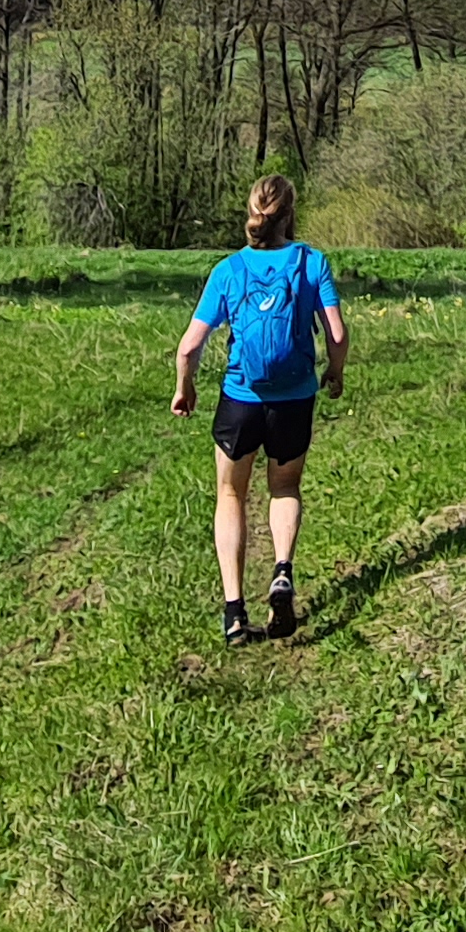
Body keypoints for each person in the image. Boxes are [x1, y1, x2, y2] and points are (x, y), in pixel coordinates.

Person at [171, 173, 347, 644]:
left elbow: (188, 347)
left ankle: (234, 613)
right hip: (294, 399)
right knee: (284, 487)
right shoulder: (311, 262)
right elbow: (337, 334)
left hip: (241, 401)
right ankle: (282, 571)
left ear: (251, 213)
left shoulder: (228, 270)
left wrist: (185, 388)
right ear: (290, 214)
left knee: (230, 495)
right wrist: (334, 372)